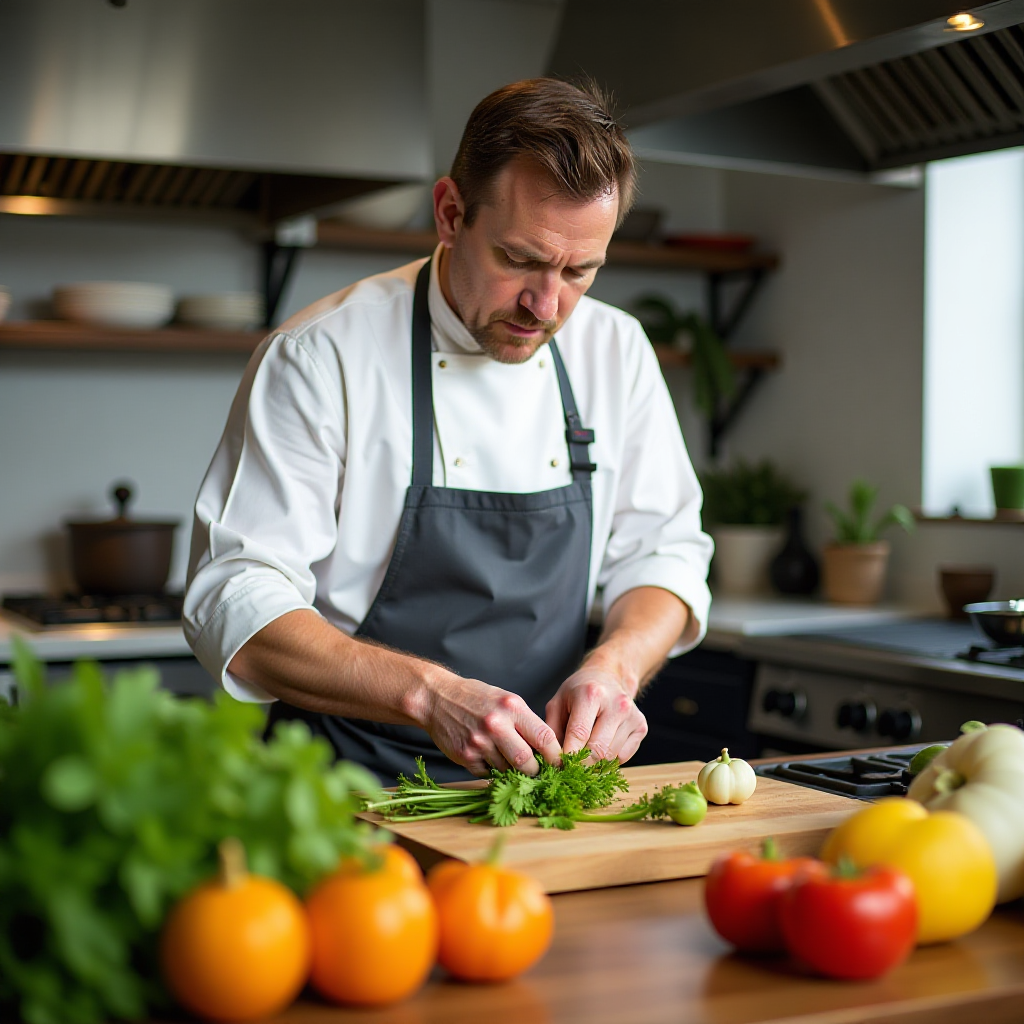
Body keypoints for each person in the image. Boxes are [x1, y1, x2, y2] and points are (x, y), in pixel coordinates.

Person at [184, 78, 713, 784]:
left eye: (580, 271)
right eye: (520, 259)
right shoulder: (321, 355)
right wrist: (431, 695)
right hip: (345, 793)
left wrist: (614, 668)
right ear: (450, 213)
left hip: (538, 794)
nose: (546, 305)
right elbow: (237, 598)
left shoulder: (616, 352)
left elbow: (665, 556)